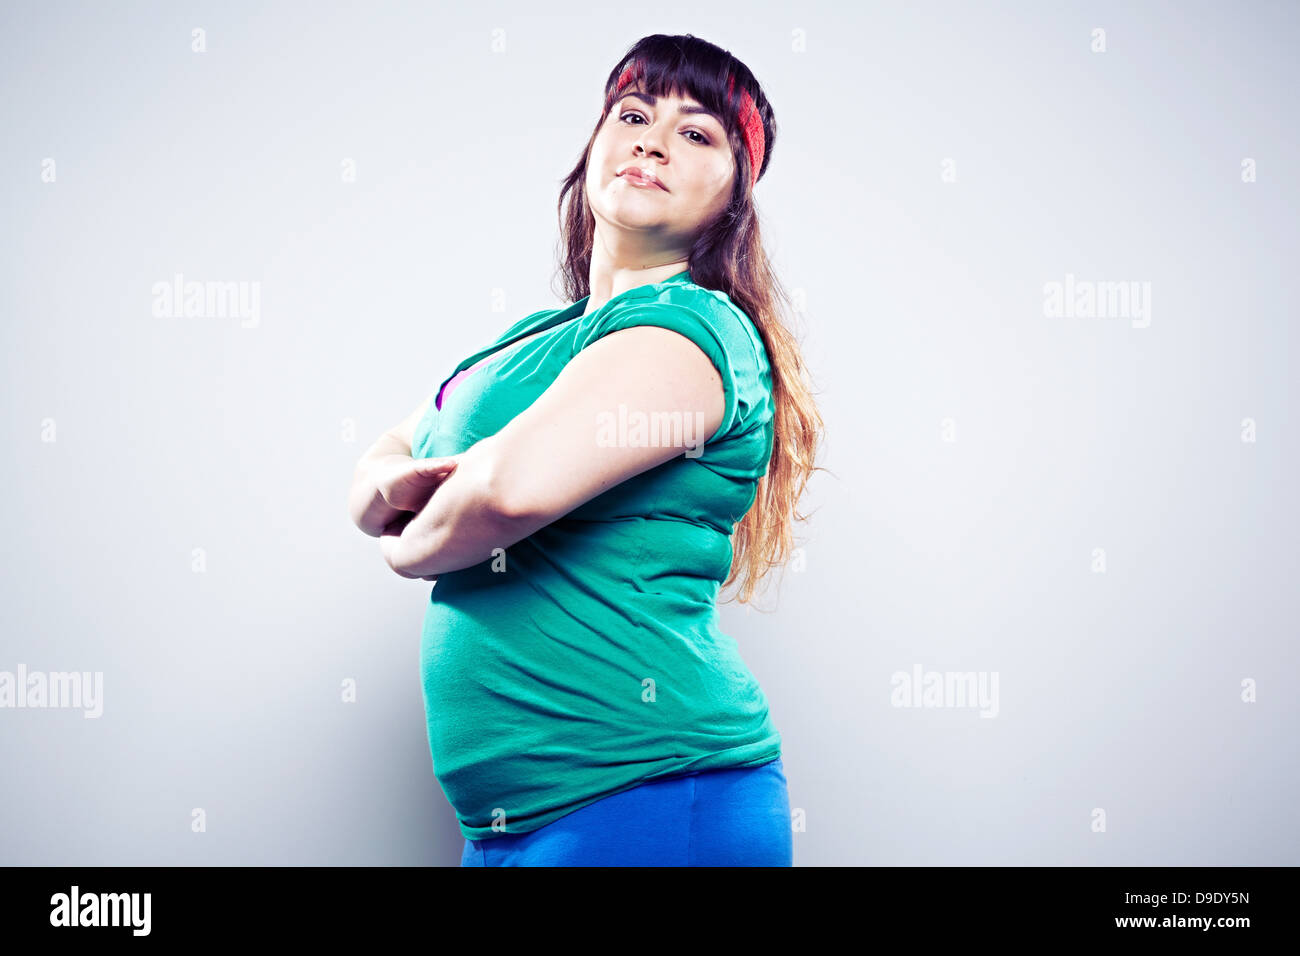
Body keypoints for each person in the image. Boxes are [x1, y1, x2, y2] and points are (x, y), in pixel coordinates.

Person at [347, 33, 825, 866]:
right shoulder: (534, 341)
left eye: (697, 133)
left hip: (651, 802)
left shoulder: (694, 328)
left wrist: (403, 547)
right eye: (634, 114)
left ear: (733, 198)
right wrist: (396, 492)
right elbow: (384, 461)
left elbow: (505, 494)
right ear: (595, 144)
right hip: (509, 827)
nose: (651, 140)